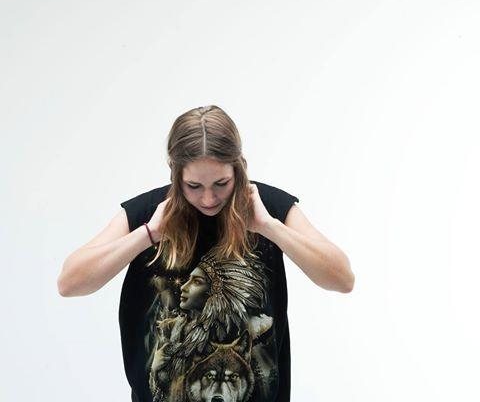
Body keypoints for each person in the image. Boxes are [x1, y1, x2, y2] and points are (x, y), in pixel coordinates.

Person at [57, 105, 355, 402]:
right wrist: (149, 233)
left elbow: (342, 279)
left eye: (221, 184)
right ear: (176, 174)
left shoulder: (268, 207)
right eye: (194, 186)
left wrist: (268, 226)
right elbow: (70, 283)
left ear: (238, 167)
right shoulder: (148, 212)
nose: (209, 198)